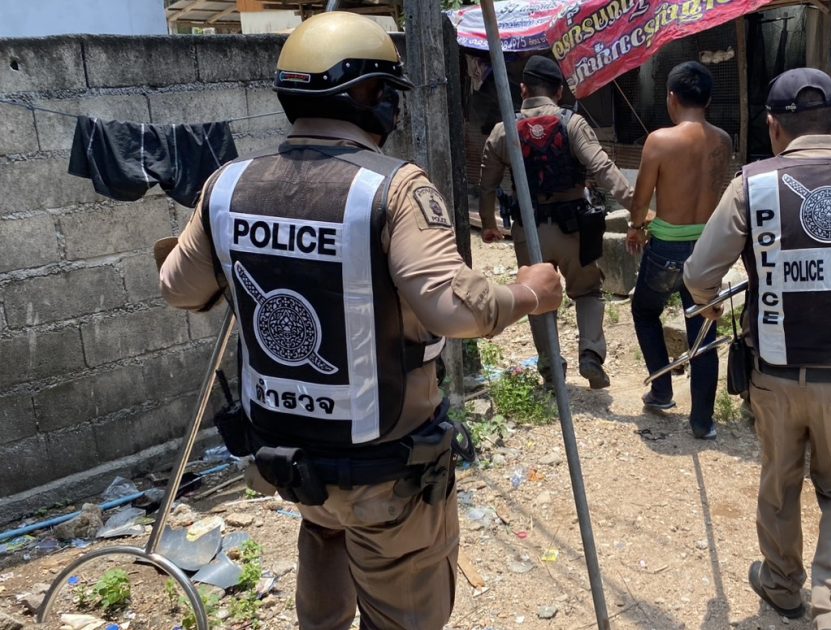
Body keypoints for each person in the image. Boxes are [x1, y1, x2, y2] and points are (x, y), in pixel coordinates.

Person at [157, 13, 563, 629]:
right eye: (387, 93)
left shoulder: (227, 186)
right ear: (368, 94)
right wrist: (528, 293)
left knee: (324, 535)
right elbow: (454, 308)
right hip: (383, 470)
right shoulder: (393, 188)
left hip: (289, 457)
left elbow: (179, 288)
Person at [683, 68, 831, 629]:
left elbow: (699, 273)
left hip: (774, 373)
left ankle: (782, 585)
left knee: (779, 480)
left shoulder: (753, 185)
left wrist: (710, 304)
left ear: (773, 127)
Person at [478, 55, 635, 389]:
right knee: (588, 291)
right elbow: (602, 168)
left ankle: (551, 367)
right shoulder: (572, 123)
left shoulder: (502, 130)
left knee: (537, 295)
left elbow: (487, 184)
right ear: (559, 92)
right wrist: (636, 206)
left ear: (523, 89)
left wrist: (490, 223)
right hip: (573, 228)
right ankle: (590, 355)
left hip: (529, 230)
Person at [626, 61, 731, 439]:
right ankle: (703, 421)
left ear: (672, 98)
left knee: (644, 311)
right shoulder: (724, 141)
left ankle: (662, 390)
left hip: (666, 248)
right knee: (703, 332)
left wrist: (636, 228)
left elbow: (641, 200)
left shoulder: (659, 140)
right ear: (708, 100)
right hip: (707, 250)